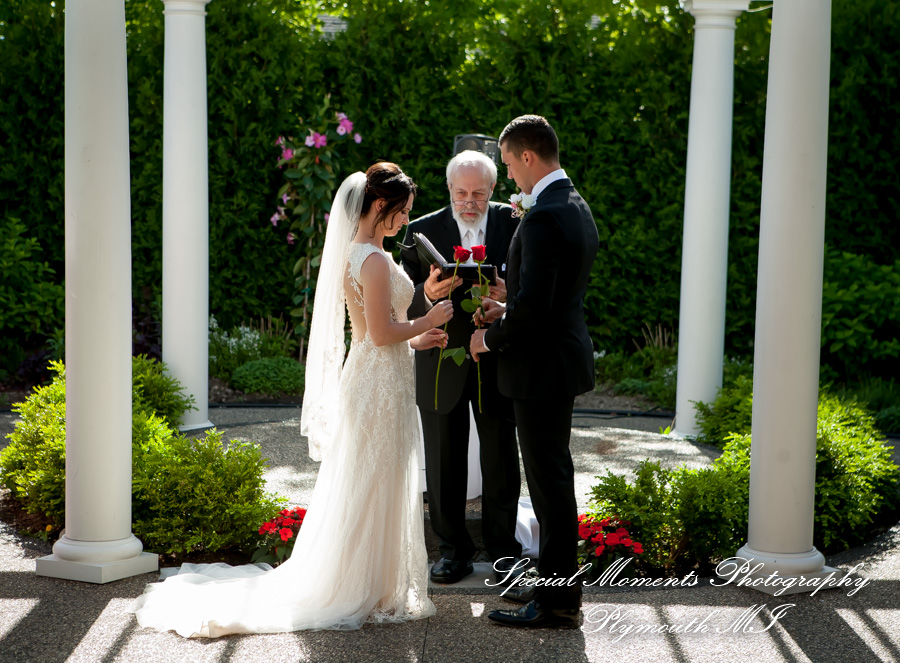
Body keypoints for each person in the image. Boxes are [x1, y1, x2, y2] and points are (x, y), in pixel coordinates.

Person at [129, 163, 454, 638]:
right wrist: (428, 320)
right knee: (374, 480)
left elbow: (368, 335)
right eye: (401, 212)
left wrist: (418, 341)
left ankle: (376, 586)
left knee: (372, 479)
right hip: (380, 385)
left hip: (375, 375)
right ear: (380, 207)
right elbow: (382, 332)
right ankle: (364, 588)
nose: (406, 221)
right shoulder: (375, 260)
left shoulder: (357, 253)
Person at [470, 115, 599, 629]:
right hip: (557, 358)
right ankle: (556, 587)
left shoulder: (544, 215)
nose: (510, 178)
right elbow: (548, 297)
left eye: (508, 164)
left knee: (549, 486)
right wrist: (510, 306)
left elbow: (536, 311)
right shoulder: (573, 203)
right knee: (554, 481)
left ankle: (557, 602)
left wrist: (490, 336)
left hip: (541, 368)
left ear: (527, 156)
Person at [400, 150, 524, 586]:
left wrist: (510, 298)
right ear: (448, 190)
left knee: (502, 458)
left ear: (492, 191)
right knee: (442, 459)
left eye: (478, 193)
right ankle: (452, 551)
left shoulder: (517, 224)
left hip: (498, 355)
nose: (469, 201)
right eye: (460, 193)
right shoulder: (421, 231)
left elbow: (534, 289)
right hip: (440, 357)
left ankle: (504, 550)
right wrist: (426, 293)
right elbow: (398, 302)